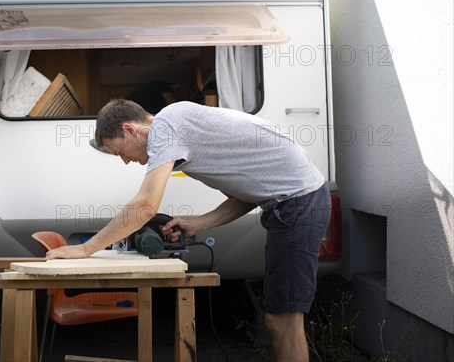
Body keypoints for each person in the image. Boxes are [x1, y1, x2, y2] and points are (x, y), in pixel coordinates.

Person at [46, 99, 331, 362]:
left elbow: (145, 205)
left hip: (299, 203)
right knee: (280, 320)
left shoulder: (166, 128)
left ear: (130, 130)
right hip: (292, 203)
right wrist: (198, 224)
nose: (124, 161)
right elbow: (250, 194)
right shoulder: (178, 126)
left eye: (118, 151)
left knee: (284, 321)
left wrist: (85, 248)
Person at [126, 80, 197, 114]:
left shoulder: (163, 103)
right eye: (183, 97)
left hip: (132, 114)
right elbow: (174, 107)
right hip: (127, 109)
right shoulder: (163, 86)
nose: (181, 99)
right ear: (180, 89)